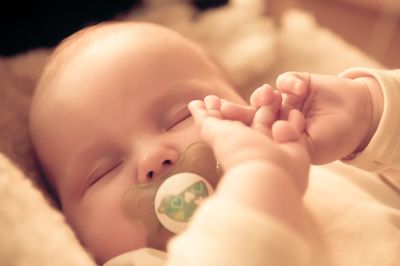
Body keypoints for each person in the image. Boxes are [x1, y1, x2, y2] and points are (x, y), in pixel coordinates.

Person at [28, 20, 400, 265]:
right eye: (102, 172)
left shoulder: (328, 161)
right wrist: (259, 180)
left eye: (181, 116)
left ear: (244, 105)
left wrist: (371, 115)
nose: (153, 159)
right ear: (73, 231)